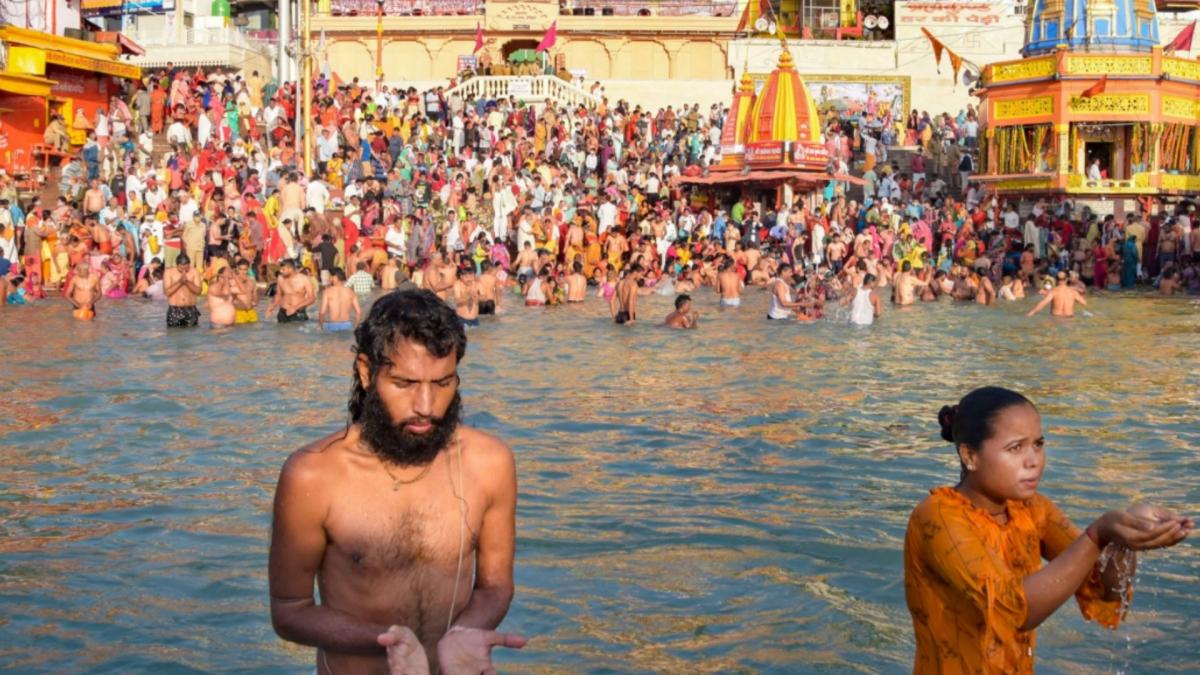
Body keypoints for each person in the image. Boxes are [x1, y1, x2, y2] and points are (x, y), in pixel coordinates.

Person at [268, 290, 525, 674]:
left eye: (442, 383)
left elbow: (494, 588)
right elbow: (289, 611)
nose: (426, 405)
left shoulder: (489, 463)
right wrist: (385, 640)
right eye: (405, 384)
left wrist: (463, 634)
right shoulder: (314, 475)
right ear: (366, 372)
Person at [906, 387, 1192, 673]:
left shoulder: (1031, 509)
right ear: (970, 455)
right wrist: (1097, 536)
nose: (1034, 460)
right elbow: (1017, 610)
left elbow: (1105, 588)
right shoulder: (938, 516)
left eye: (1038, 444)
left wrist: (1126, 533)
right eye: (1015, 448)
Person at [270, 258, 316, 323]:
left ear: (290, 269)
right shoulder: (280, 278)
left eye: (283, 269)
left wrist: (295, 307)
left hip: (298, 313)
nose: (281, 271)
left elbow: (312, 298)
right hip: (283, 313)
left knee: (297, 332)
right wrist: (272, 306)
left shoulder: (304, 279)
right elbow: (278, 294)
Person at [164, 252, 203, 327]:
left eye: (187, 268)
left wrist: (187, 282)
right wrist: (180, 282)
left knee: (192, 336)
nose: (184, 271)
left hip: (191, 309)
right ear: (177, 265)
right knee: (174, 335)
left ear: (189, 265)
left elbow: (198, 291)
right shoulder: (169, 273)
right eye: (181, 269)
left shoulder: (194, 272)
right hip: (174, 310)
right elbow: (167, 292)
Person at [317, 268, 361, 332]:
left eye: (329, 276)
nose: (328, 278)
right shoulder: (351, 292)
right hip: (347, 325)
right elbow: (359, 312)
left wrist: (320, 326)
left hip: (332, 326)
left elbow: (322, 312)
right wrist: (356, 327)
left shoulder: (327, 292)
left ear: (334, 277)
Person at [232, 258, 260, 324]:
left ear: (248, 269)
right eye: (240, 269)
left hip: (251, 311)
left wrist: (255, 301)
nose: (242, 272)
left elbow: (255, 294)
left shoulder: (252, 281)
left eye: (245, 270)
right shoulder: (233, 281)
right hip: (239, 312)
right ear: (237, 269)